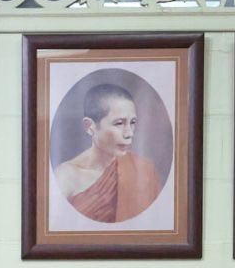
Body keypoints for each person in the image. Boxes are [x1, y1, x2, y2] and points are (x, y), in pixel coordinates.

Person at [54, 83, 165, 224]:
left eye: (133, 122)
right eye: (119, 123)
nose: (129, 133)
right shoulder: (65, 176)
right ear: (90, 126)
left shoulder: (144, 171)